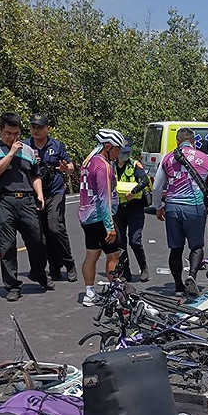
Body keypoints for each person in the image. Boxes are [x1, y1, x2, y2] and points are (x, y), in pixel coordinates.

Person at [0, 112, 52, 302]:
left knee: (38, 240)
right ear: (0, 130)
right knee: (7, 245)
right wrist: (11, 153)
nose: (12, 138)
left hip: (27, 201)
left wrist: (39, 193)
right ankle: (12, 285)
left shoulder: (28, 150)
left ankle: (38, 273)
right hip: (4, 201)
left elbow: (35, 175)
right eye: (8, 133)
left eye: (16, 133)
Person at [151, 127, 208, 297]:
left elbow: (157, 188)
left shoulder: (168, 158)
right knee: (196, 247)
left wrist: (158, 207)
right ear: (194, 142)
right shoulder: (205, 159)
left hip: (172, 207)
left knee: (176, 249)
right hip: (194, 208)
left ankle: (179, 286)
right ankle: (192, 276)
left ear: (177, 141)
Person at [24, 114, 78, 282]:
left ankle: (69, 263)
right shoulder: (25, 146)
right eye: (33, 126)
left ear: (48, 128)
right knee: (41, 233)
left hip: (55, 192)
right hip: (35, 194)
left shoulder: (57, 145)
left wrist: (65, 168)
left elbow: (70, 167)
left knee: (55, 228)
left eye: (40, 127)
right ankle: (54, 265)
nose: (36, 130)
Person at [78, 128, 128, 307]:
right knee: (114, 255)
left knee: (91, 254)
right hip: (100, 217)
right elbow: (104, 197)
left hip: (86, 216)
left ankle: (89, 293)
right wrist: (110, 226)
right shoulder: (103, 165)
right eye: (117, 149)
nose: (118, 154)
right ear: (107, 146)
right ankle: (116, 294)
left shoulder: (88, 161)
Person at [113, 135, 151, 282]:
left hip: (135, 208)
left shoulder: (135, 165)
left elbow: (144, 180)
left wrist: (133, 192)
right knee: (120, 242)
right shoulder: (111, 166)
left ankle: (144, 267)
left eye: (127, 151)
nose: (125, 154)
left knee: (135, 241)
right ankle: (125, 271)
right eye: (123, 151)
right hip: (118, 209)